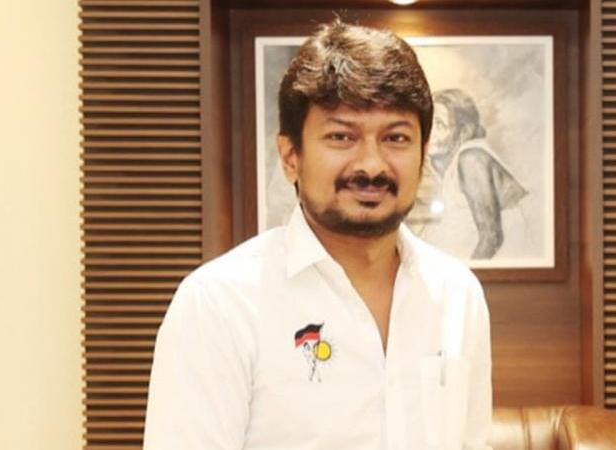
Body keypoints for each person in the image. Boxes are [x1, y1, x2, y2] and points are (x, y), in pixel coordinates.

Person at [143, 20, 491, 450]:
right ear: (291, 157)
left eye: (396, 137)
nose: (372, 165)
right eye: (341, 136)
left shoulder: (458, 294)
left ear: (422, 156)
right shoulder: (219, 302)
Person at [408, 88, 527, 260]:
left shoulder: (471, 159)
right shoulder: (438, 164)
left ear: (464, 132)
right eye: (429, 124)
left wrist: (461, 274)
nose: (431, 134)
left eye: (440, 125)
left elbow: (492, 238)